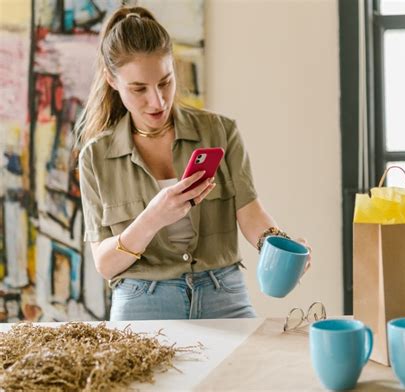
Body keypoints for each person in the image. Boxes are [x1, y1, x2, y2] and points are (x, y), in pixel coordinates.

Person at [77, 6, 312, 321]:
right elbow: (105, 264)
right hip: (142, 300)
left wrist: (279, 245)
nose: (157, 101)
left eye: (165, 82)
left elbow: (250, 213)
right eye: (139, 89)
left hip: (223, 294)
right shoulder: (95, 157)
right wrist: (152, 218)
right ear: (112, 80)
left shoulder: (220, 131)